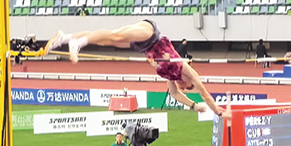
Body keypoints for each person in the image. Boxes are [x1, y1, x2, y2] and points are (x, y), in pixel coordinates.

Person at [45, 20, 225, 116]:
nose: (181, 88)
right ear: (187, 83)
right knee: (115, 36)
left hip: (143, 47)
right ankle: (79, 42)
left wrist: (194, 106)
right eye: (185, 87)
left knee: (107, 40)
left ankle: (65, 38)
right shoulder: (186, 71)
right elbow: (205, 94)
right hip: (150, 35)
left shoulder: (171, 77)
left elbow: (174, 94)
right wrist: (217, 111)